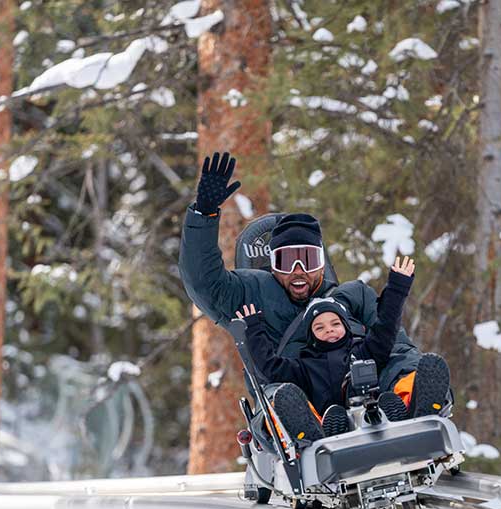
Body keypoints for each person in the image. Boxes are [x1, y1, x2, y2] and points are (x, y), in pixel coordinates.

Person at [178, 151, 450, 409]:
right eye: (287, 261)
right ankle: (302, 423)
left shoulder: (354, 296)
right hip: (300, 402)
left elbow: (392, 340)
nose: (298, 270)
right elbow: (204, 284)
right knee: (280, 393)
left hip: (367, 395)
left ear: (323, 263)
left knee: (401, 361)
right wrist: (204, 215)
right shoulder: (252, 295)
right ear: (272, 264)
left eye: (307, 260)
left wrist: (406, 365)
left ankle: (411, 400)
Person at [235, 256, 450, 443]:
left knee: (410, 377)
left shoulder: (363, 351)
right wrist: (253, 329)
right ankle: (309, 435)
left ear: (346, 327)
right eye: (320, 327)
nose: (329, 330)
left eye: (335, 324)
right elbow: (270, 366)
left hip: (374, 415)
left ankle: (418, 411)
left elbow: (386, 327)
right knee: (285, 399)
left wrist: (397, 288)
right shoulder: (305, 366)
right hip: (327, 428)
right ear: (311, 337)